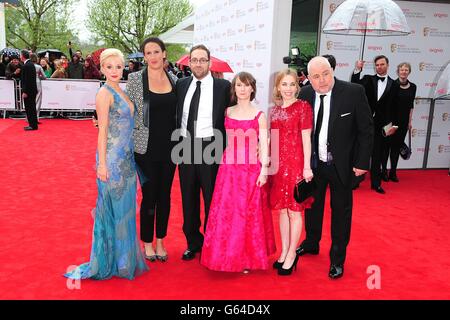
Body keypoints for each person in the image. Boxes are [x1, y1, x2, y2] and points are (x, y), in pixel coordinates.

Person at [64, 48, 148, 280]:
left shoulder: (122, 91)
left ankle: (124, 260)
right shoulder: (104, 94)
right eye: (109, 67)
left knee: (126, 210)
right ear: (102, 68)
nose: (114, 71)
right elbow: (102, 132)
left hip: (127, 160)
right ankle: (110, 260)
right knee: (112, 210)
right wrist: (102, 164)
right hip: (111, 159)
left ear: (124, 68)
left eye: (118, 67)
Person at [297, 56, 373, 279]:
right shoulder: (306, 94)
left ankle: (337, 259)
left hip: (343, 165)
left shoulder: (353, 92)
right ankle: (311, 242)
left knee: (341, 213)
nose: (322, 80)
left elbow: (366, 131)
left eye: (325, 74)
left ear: (332, 70)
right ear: (308, 78)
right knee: (312, 207)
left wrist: (361, 163)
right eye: (316, 76)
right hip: (314, 164)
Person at [200, 72, 276, 273]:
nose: (242, 89)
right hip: (228, 168)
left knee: (247, 213)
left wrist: (264, 171)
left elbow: (265, 143)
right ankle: (224, 255)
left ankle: (245, 258)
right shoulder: (227, 111)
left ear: (252, 89)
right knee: (227, 212)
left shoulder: (259, 115)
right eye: (239, 85)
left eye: (246, 85)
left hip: (251, 169)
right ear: (234, 89)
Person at [175, 44, 231, 261]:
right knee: (188, 198)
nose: (198, 63)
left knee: (212, 199)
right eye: (194, 60)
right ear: (189, 62)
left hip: (212, 147)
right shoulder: (181, 84)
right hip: (185, 146)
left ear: (209, 63)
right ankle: (192, 242)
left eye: (202, 60)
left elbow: (235, 116)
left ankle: (212, 242)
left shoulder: (223, 87)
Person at [126, 37, 178, 262]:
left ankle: (160, 241)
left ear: (164, 53)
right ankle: (147, 242)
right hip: (144, 149)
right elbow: (127, 109)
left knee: (165, 197)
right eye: (148, 53)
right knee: (149, 196)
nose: (153, 57)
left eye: (157, 51)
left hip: (171, 148)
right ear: (144, 57)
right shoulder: (135, 79)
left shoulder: (175, 80)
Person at [269, 69, 314, 276]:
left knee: (295, 210)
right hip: (279, 166)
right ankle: (284, 250)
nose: (288, 89)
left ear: (297, 86)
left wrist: (306, 167)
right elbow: (273, 140)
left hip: (296, 164)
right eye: (284, 84)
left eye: (292, 84)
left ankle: (292, 254)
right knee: (282, 210)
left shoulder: (303, 107)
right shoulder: (275, 111)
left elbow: (306, 139)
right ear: (278, 87)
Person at [351, 55, 399, 194]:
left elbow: (395, 107)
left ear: (387, 65)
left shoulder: (394, 84)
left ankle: (376, 184)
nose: (379, 67)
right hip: (364, 123)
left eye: (382, 64)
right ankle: (356, 181)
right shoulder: (367, 79)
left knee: (377, 154)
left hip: (382, 125)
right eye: (377, 65)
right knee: (361, 152)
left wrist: (393, 126)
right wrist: (357, 70)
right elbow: (354, 85)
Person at [382, 62, 417, 182]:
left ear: (409, 72)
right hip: (390, 122)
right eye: (402, 70)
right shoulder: (392, 84)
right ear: (398, 71)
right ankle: (383, 172)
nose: (404, 72)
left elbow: (411, 105)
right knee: (386, 148)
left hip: (403, 122)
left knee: (396, 148)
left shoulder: (413, 87)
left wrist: (409, 121)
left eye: (406, 70)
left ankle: (393, 173)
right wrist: (386, 122)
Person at [20, 50, 38, 131]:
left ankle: (32, 125)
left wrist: (25, 91)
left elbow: (27, 80)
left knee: (30, 108)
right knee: (31, 108)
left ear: (23, 56)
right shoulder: (30, 64)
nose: (19, 56)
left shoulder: (27, 65)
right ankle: (32, 124)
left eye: (20, 55)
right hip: (31, 90)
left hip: (29, 91)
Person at [30, 53, 46, 122]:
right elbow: (44, 77)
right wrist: (39, 77)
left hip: (30, 83)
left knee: (30, 101)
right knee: (38, 101)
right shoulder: (38, 67)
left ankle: (29, 117)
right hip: (38, 83)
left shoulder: (28, 66)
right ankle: (36, 118)